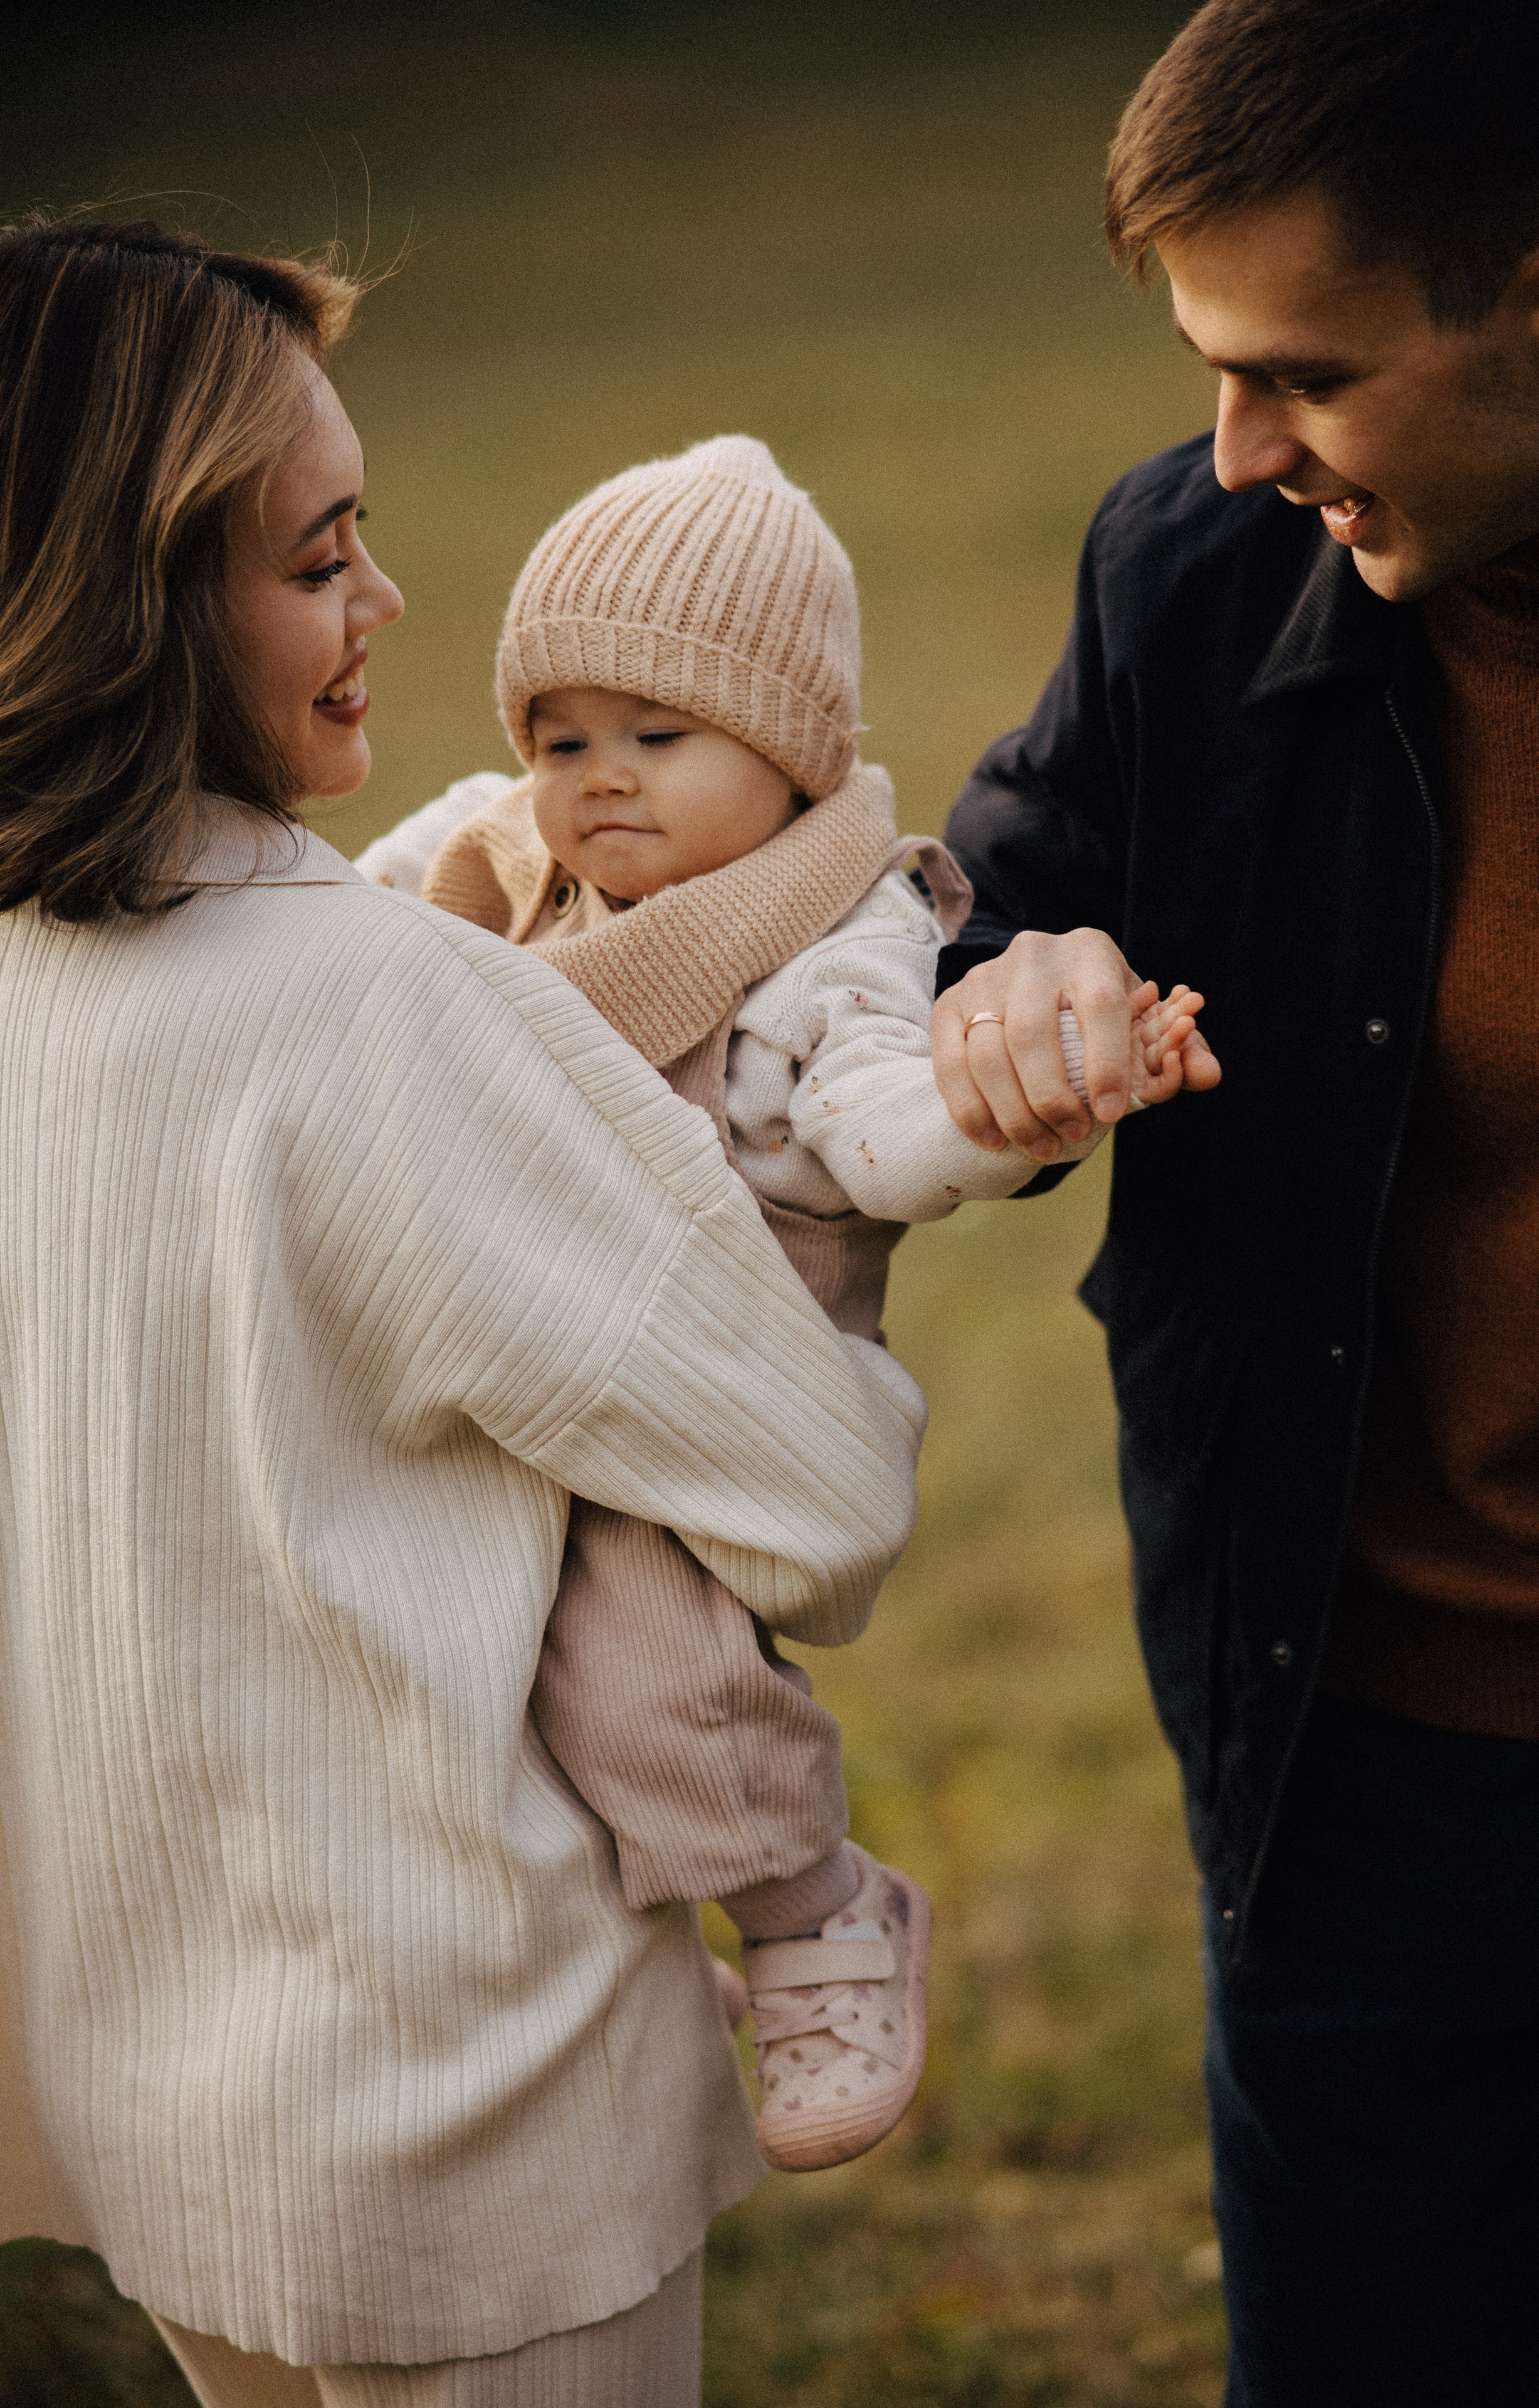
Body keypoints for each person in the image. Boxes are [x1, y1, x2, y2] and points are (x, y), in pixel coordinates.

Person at [0, 219, 929, 2408]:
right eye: (321, 557)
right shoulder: (388, 1008)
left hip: (143, 2065)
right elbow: (816, 1498)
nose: (384, 606)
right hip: (462, 2093)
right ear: (144, 597)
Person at [930, 2, 1539, 2400]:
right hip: (1357, 1757)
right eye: (1212, 371)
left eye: (1300, 372)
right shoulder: (1190, 578)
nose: (1237, 449)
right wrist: (1012, 985)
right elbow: (987, 907)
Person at [357, 434, 1204, 2175]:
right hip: (521, 1337)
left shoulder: (839, 941)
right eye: (561, 737)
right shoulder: (500, 860)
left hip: (718, 1379)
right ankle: (609, 1946)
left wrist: (993, 1114)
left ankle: (814, 1905)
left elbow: (879, 1130)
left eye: (657, 739)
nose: (598, 782)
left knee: (646, 1668)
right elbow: (332, 940)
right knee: (463, 1659)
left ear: (794, 750)